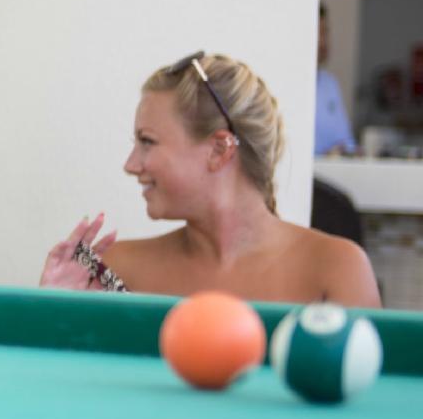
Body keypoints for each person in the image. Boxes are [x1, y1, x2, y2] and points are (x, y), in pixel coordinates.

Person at [41, 51, 379, 308]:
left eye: (147, 142)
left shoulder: (337, 270)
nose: (131, 165)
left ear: (219, 150)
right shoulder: (110, 270)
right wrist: (49, 317)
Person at [313, 5, 356, 156]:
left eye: (325, 32)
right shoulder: (290, 84)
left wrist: (348, 151)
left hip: (332, 168)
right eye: (318, 32)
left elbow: (347, 141)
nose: (323, 41)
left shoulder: (330, 83)